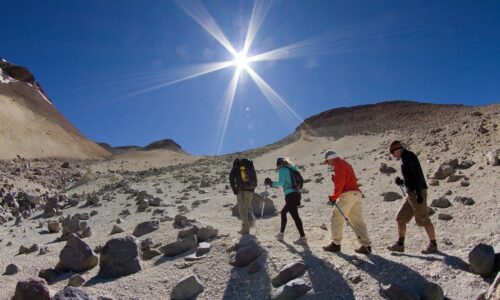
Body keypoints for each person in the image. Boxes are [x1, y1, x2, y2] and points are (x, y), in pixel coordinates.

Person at [387, 140, 438, 254]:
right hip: (411, 194)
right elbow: (411, 177)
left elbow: (417, 175)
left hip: (417, 192)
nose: (392, 155)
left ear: (397, 149)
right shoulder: (405, 158)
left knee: (423, 218)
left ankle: (433, 245)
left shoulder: (408, 157)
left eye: (392, 152)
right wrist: (402, 182)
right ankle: (400, 245)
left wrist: (419, 193)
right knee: (400, 218)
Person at [322, 150, 372, 254]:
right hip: (356, 194)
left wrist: (334, 196)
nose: (328, 165)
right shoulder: (345, 163)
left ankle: (335, 244)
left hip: (347, 194)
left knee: (336, 216)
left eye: (327, 162)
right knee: (357, 220)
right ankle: (366, 245)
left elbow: (340, 182)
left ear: (330, 159)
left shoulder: (338, 164)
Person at [264, 157, 307, 245]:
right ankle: (281, 234)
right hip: (297, 194)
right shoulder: (291, 168)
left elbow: (281, 183)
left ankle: (303, 238)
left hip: (290, 195)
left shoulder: (282, 169)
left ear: (278, 164)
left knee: (295, 216)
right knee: (283, 213)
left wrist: (271, 183)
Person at [229, 158, 257, 235]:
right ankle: (246, 227)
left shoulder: (235, 168)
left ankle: (246, 229)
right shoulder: (249, 167)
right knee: (246, 209)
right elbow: (255, 179)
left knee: (242, 211)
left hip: (241, 191)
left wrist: (235, 190)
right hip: (250, 190)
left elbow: (231, 180)